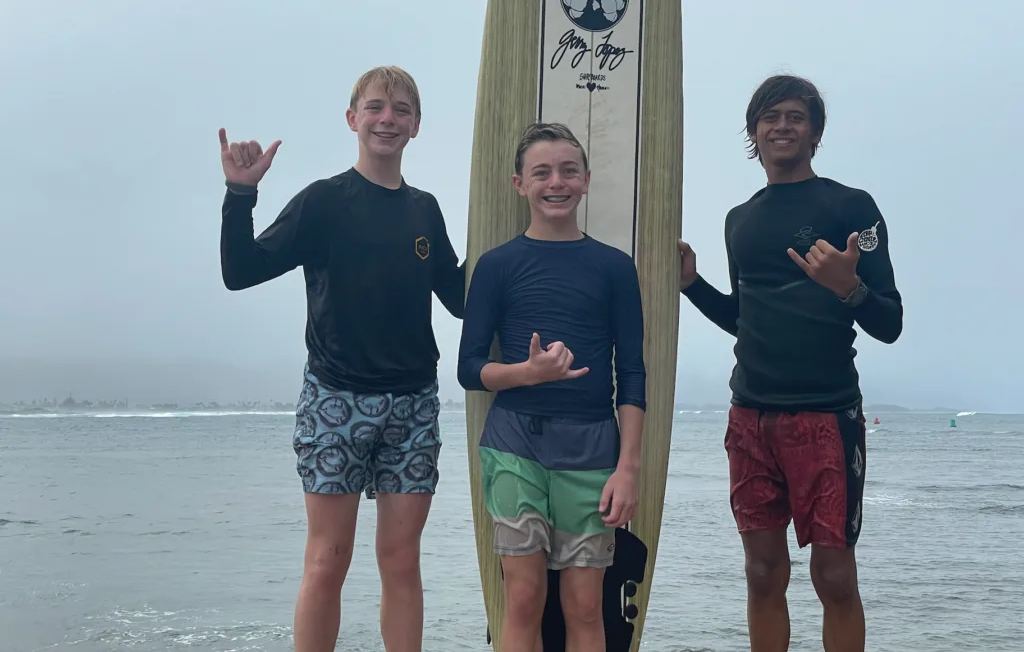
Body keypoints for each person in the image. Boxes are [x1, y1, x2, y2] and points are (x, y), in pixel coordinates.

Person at [218, 65, 465, 652]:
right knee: (328, 559)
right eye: (376, 107)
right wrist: (240, 193)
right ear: (353, 119)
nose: (388, 118)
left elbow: (461, 300)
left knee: (402, 562)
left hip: (413, 405)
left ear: (417, 126)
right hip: (336, 399)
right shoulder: (324, 202)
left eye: (401, 109)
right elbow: (240, 272)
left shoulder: (424, 210)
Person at [678, 74, 903, 652]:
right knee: (761, 574)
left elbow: (889, 323)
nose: (782, 126)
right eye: (770, 117)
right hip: (751, 416)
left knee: (834, 578)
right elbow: (742, 318)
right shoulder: (740, 218)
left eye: (796, 117)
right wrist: (692, 285)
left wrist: (847, 289)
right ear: (754, 132)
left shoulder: (852, 207)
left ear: (816, 133)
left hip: (826, 416)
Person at [457, 122, 647, 652]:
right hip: (515, 444)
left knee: (587, 605)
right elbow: (469, 368)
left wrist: (627, 468)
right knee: (523, 598)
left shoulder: (614, 267)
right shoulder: (496, 266)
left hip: (592, 449)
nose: (555, 182)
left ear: (586, 181)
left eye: (568, 171)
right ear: (520, 184)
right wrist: (527, 373)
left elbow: (631, 373)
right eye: (541, 172)